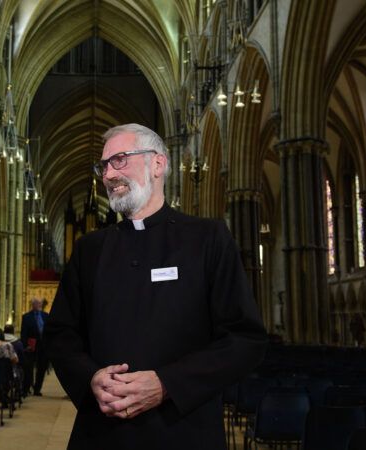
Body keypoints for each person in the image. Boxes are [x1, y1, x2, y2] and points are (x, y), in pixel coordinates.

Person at [44, 123, 268, 449]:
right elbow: (61, 334)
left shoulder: (207, 239)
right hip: (102, 434)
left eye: (119, 160)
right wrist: (90, 378)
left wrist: (166, 384)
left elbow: (245, 338)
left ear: (158, 164)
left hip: (183, 432)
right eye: (103, 165)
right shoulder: (89, 249)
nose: (108, 174)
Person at [21, 298, 49, 396]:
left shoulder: (46, 316)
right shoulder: (26, 317)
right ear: (32, 305)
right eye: (36, 303)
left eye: (40, 303)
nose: (38, 305)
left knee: (42, 369)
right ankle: (26, 388)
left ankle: (37, 389)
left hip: (44, 346)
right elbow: (23, 333)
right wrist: (25, 345)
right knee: (29, 368)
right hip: (31, 346)